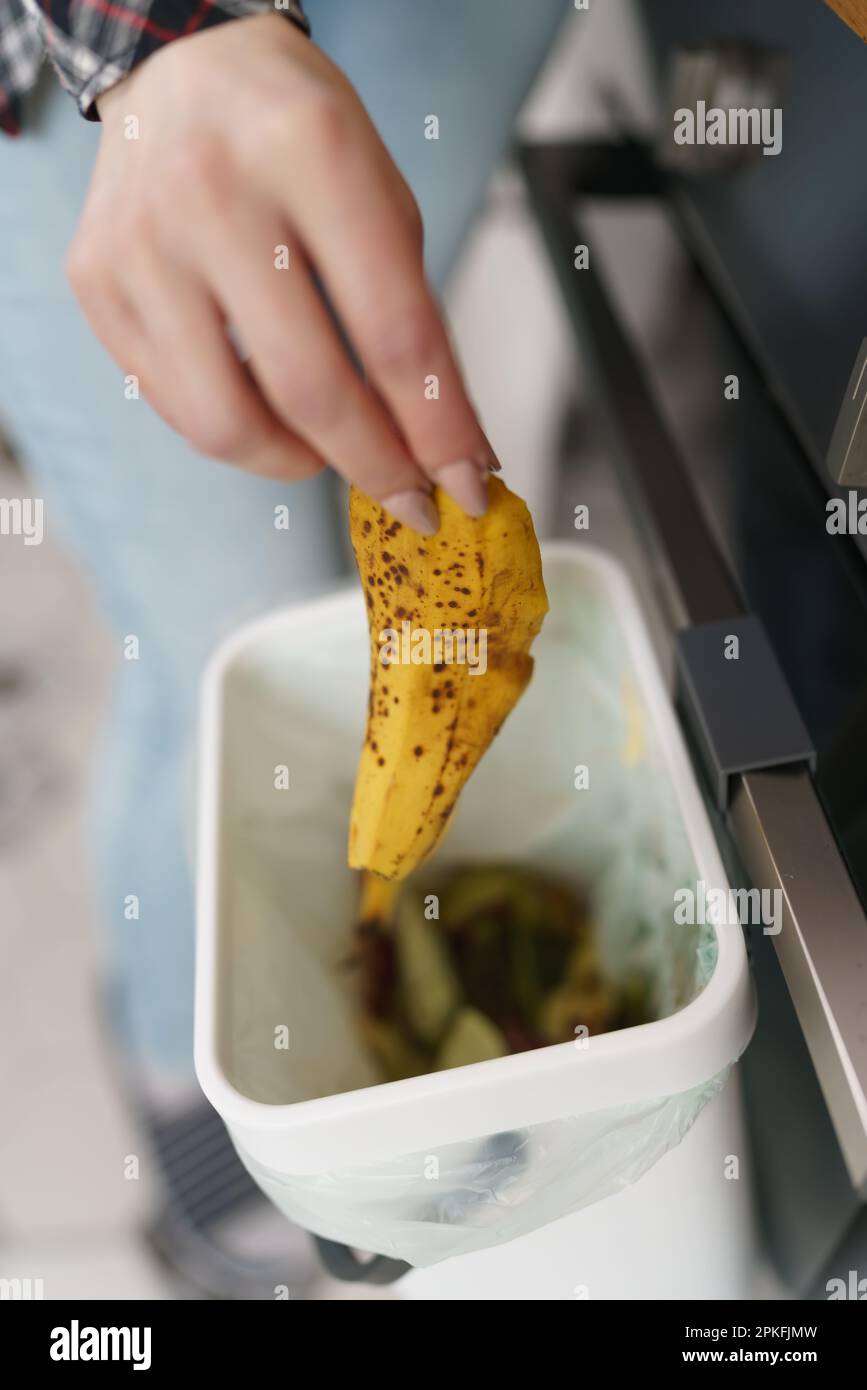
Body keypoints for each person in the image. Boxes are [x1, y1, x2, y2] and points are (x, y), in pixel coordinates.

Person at [0, 0, 567, 1283]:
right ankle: (194, 1112)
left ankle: (352, 1000)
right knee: (228, 644)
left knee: (344, 447)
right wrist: (149, 38)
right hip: (59, 59)